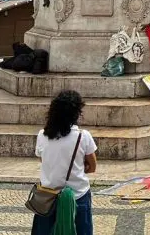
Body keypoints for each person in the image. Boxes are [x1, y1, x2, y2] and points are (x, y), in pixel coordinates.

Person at [32, 90, 97, 235]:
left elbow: (44, 161)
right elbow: (92, 167)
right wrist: (79, 168)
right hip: (78, 196)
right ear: (76, 113)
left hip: (47, 198)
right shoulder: (83, 136)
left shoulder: (42, 136)